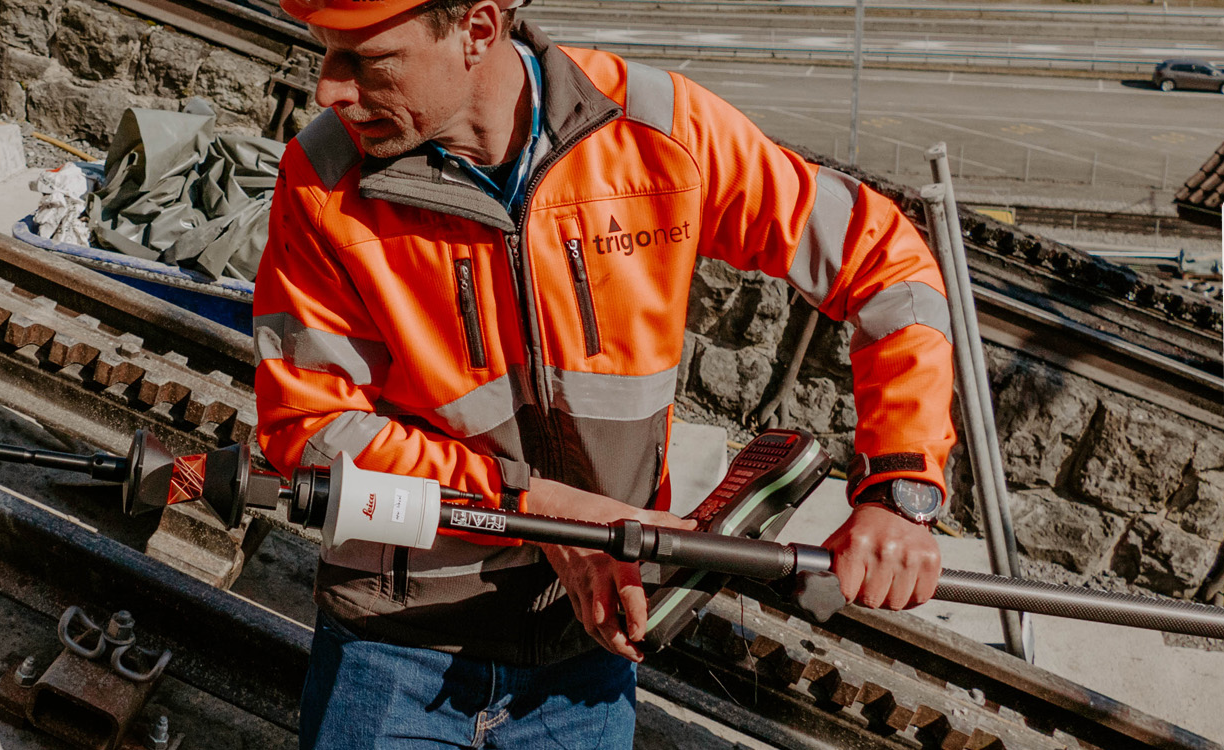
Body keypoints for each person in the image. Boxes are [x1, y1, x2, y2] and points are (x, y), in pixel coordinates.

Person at [255, 0, 961, 745]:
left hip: (584, 665)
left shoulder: (658, 130)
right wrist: (546, 510)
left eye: (367, 60)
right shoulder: (322, 179)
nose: (328, 88)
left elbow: (884, 262)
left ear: (478, 29)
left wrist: (900, 486)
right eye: (324, 50)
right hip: (395, 651)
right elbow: (312, 430)